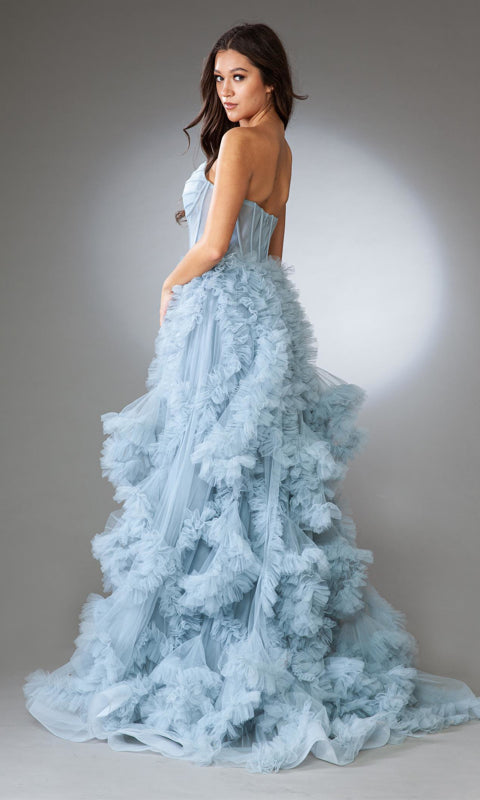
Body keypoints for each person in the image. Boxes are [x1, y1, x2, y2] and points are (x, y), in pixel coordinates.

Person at [23, 22, 480, 774]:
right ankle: (259, 643)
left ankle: (219, 653)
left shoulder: (238, 145)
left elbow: (213, 247)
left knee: (210, 467)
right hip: (264, 318)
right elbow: (273, 251)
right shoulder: (282, 148)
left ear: (271, 78)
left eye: (239, 76)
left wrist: (169, 284)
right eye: (219, 78)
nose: (226, 91)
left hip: (218, 317)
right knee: (258, 478)